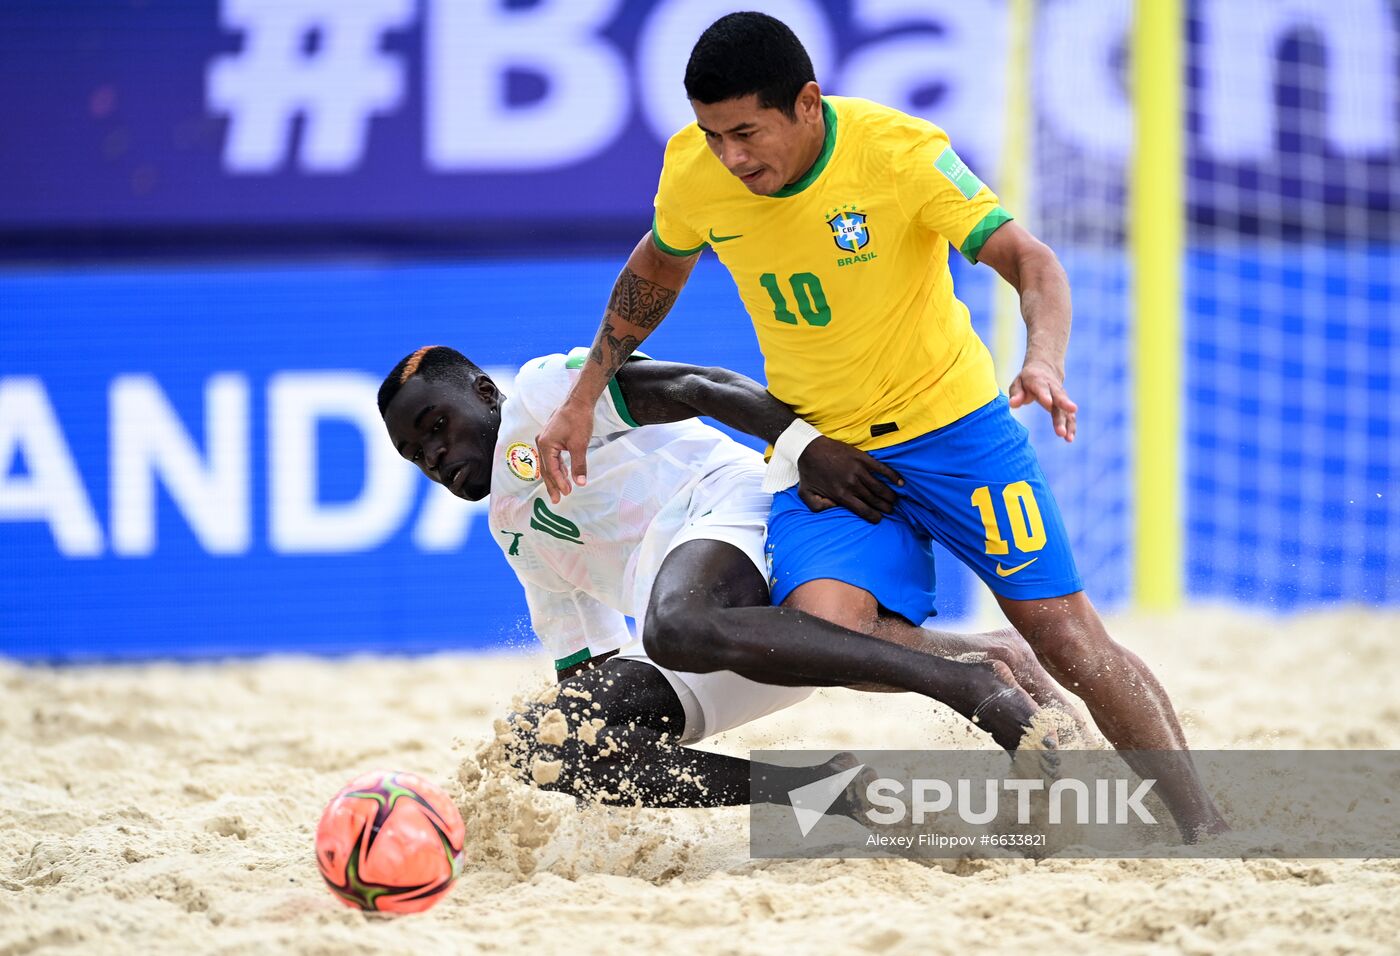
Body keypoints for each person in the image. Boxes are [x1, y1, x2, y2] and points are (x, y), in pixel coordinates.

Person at [534, 12, 1226, 837]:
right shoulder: (694, 172)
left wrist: (1043, 359)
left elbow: (1030, 260)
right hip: (829, 452)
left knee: (1068, 637)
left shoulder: (897, 152)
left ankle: (1206, 826)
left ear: (807, 104)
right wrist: (584, 395)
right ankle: (990, 668)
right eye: (713, 136)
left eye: (747, 132)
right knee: (824, 630)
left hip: (957, 431)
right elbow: (657, 267)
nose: (732, 157)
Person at [378, 345, 1062, 809]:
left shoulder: (543, 395)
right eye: (415, 453)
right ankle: (830, 794)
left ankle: (965, 685)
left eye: (437, 424)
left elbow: (702, 387)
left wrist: (803, 448)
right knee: (547, 742)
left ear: (484, 392)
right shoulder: (511, 529)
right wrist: (574, 755)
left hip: (731, 513)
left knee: (676, 622)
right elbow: (587, 672)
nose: (435, 455)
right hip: (702, 632)